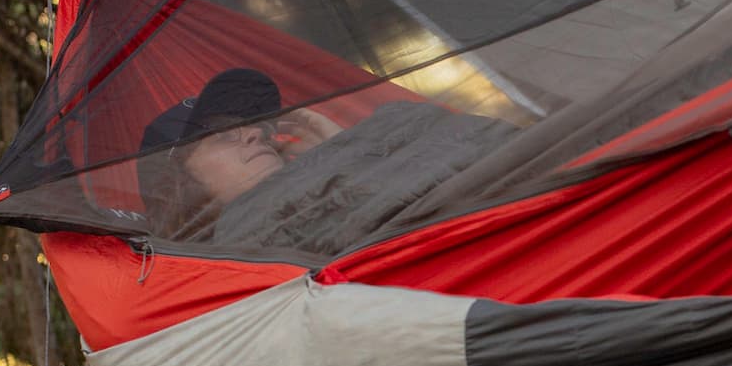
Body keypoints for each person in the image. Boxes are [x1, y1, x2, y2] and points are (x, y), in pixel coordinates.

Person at [137, 67, 516, 257]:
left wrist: (339, 148)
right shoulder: (246, 245)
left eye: (252, 128)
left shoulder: (317, 191)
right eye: (222, 136)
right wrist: (350, 149)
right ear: (181, 185)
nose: (255, 134)